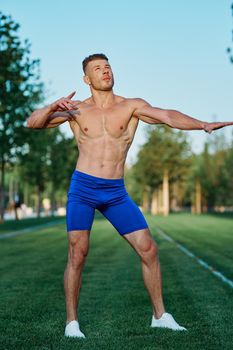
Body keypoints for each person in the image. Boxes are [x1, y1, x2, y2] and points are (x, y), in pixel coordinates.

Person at [27, 53, 233, 338]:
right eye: (98, 69)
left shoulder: (131, 106)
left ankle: (160, 316)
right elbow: (33, 123)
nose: (105, 71)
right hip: (84, 188)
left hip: (115, 192)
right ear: (87, 79)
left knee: (149, 249)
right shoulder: (76, 110)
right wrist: (52, 106)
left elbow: (167, 116)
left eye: (108, 66)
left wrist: (202, 124)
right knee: (78, 253)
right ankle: (71, 323)